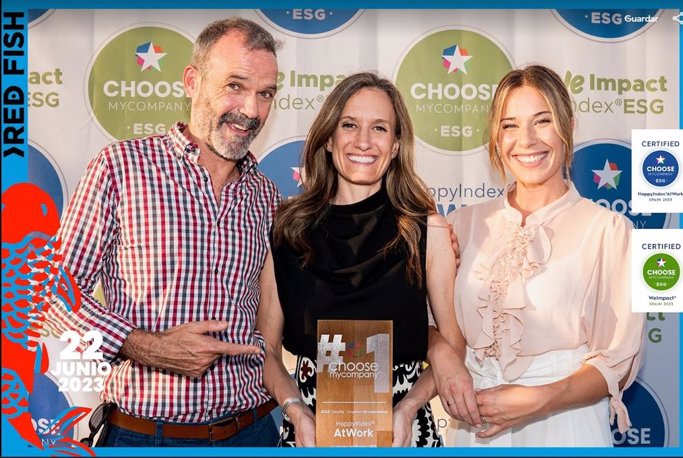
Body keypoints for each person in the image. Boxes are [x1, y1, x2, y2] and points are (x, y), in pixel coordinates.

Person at [48, 17, 282, 447]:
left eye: (265, 93)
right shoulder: (121, 168)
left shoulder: (267, 196)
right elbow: (52, 293)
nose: (251, 110)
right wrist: (144, 346)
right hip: (143, 437)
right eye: (235, 85)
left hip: (252, 432)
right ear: (192, 81)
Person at [255, 72, 479, 447]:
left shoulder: (427, 231)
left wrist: (408, 408)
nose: (363, 141)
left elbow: (454, 346)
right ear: (329, 138)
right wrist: (295, 409)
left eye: (379, 128)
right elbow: (268, 350)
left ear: (395, 145)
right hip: (309, 434)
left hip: (404, 435)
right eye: (349, 125)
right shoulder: (287, 230)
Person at [440, 64, 645, 446]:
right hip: (472, 426)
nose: (527, 140)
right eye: (510, 125)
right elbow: (432, 323)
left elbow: (619, 358)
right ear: (496, 138)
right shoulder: (463, 224)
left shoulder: (610, 230)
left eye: (542, 121)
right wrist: (442, 356)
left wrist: (540, 400)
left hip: (564, 425)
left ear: (566, 126)